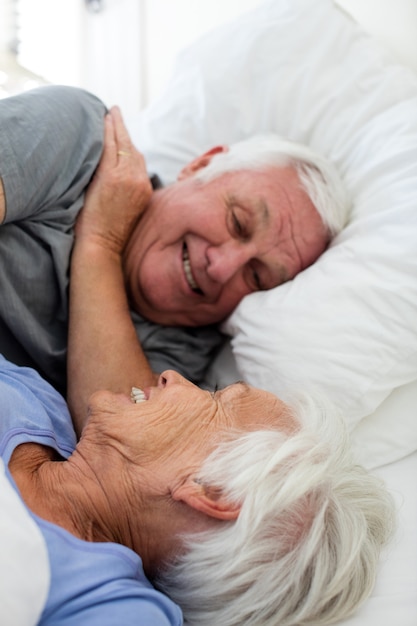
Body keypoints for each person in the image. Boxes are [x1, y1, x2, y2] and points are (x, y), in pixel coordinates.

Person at [0, 85, 350, 416]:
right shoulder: (86, 144)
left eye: (257, 276)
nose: (222, 268)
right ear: (201, 166)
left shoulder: (182, 355)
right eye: (237, 222)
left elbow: (123, 441)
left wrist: (101, 244)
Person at [2, 354, 394, 625]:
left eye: (215, 399)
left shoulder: (115, 609)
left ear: (213, 491)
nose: (169, 375)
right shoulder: (33, 400)